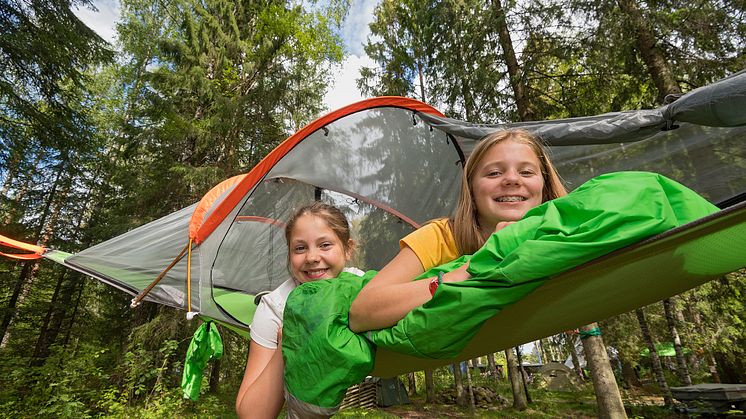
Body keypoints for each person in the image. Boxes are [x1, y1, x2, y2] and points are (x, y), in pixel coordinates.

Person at [349, 129, 567, 333]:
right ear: (471, 189)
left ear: (544, 186)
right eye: (493, 173)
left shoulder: (568, 235)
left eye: (526, 172)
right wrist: (473, 269)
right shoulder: (442, 236)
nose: (512, 179)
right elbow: (362, 312)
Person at [235, 202, 363, 418]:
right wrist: (288, 342)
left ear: (348, 249)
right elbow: (251, 415)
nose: (312, 257)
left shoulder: (362, 288)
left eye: (325, 245)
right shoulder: (274, 307)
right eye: (300, 248)